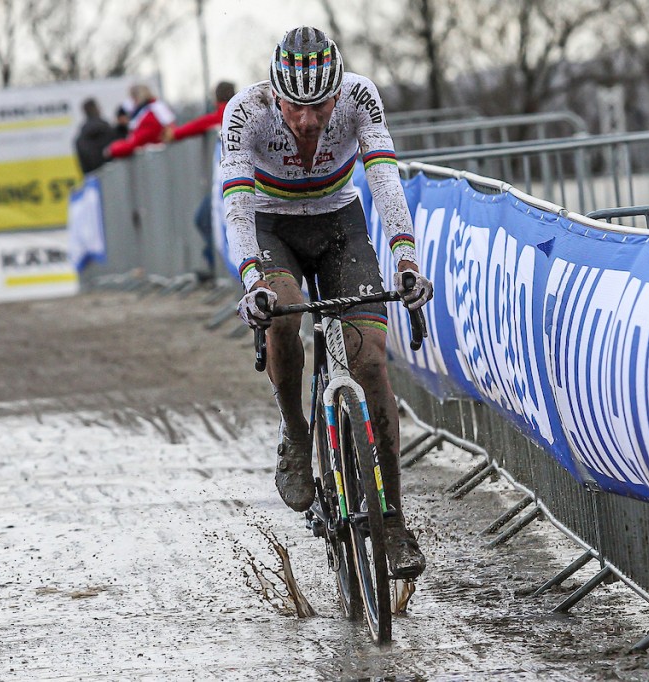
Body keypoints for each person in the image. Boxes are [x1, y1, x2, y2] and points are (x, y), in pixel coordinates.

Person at [221, 27, 433, 579]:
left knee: (369, 363)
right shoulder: (246, 113)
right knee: (283, 316)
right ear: (275, 93)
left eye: (320, 106)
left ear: (338, 93)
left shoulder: (361, 97)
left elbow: (384, 181)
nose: (308, 121)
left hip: (340, 225)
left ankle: (390, 522)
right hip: (272, 229)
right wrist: (252, 282)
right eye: (295, 106)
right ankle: (296, 434)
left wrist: (406, 258)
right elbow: (238, 207)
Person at [161, 81, 237, 281]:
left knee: (206, 219)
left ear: (216, 98)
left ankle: (218, 270)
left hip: (228, 183)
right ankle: (219, 269)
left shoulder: (225, 113)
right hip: (235, 182)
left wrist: (175, 133)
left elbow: (200, 124)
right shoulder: (237, 110)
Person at [105, 83, 176, 159]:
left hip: (156, 159)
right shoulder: (156, 108)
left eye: (132, 98)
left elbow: (135, 142)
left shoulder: (149, 115)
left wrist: (113, 150)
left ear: (137, 97)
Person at [74, 98, 116, 175]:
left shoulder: (82, 135)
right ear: (97, 109)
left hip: (93, 175)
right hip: (111, 171)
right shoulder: (106, 128)